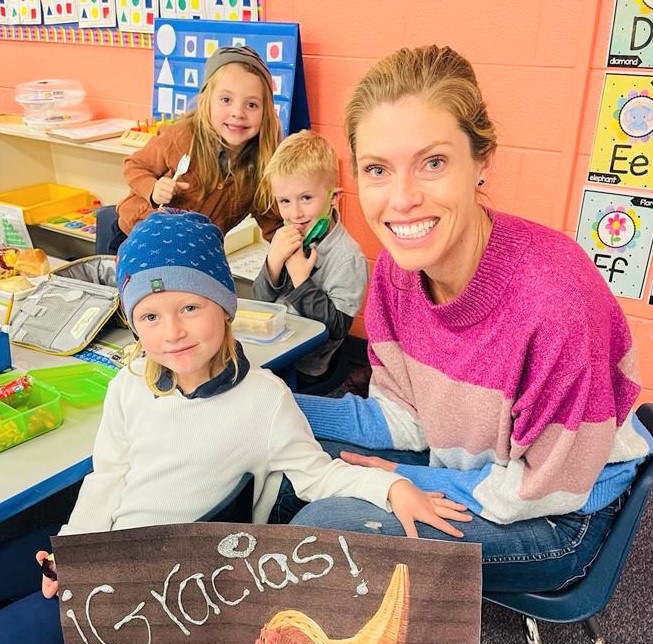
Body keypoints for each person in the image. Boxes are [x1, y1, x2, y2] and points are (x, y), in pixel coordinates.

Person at [0, 209, 470, 644]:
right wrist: (71, 549)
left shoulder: (263, 401)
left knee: (7, 635)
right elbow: (107, 479)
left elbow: (317, 476)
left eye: (189, 307)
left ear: (224, 305)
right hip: (99, 554)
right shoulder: (129, 386)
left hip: (150, 588)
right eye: (149, 316)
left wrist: (393, 485)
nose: (171, 331)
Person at [276, 44, 653, 594]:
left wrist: (407, 479)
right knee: (278, 452)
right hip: (471, 465)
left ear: (482, 161)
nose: (401, 199)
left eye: (433, 163)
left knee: (327, 532)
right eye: (378, 170)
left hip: (556, 511)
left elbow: (549, 488)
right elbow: (407, 417)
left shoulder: (555, 300)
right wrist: (271, 404)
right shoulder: (394, 273)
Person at [102, 45, 282, 254]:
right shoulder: (183, 136)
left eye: (251, 105)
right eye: (226, 100)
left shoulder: (262, 164)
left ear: (266, 112)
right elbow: (135, 165)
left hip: (192, 254)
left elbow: (272, 219)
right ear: (206, 100)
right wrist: (153, 189)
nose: (238, 112)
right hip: (137, 239)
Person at [252, 130, 368, 390]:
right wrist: (273, 262)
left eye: (306, 198)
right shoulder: (286, 237)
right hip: (272, 348)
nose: (295, 214)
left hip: (306, 368)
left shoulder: (348, 257)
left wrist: (301, 280)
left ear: (334, 198)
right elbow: (261, 302)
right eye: (284, 201)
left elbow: (336, 328)